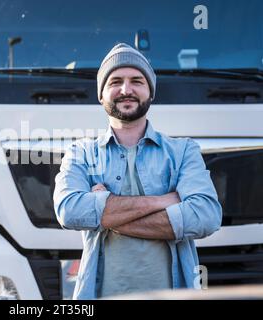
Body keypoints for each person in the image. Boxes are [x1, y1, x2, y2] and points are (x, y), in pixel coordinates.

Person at [53, 43, 222, 299]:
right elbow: (69, 211)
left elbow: (206, 215)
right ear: (101, 94)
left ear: (150, 92)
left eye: (137, 81)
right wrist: (165, 200)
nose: (126, 90)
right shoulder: (80, 153)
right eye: (115, 81)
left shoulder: (183, 151)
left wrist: (105, 211)